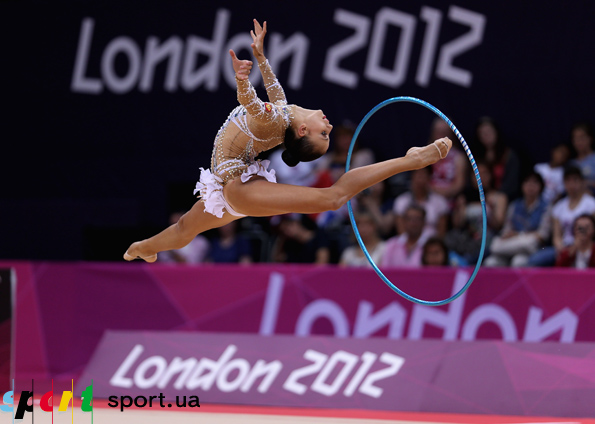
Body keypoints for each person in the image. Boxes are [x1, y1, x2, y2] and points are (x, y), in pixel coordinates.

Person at [124, 19, 452, 262]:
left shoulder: (272, 119)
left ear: (303, 132)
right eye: (327, 134)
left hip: (237, 186)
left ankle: (411, 160)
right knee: (184, 228)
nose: (328, 126)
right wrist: (261, 57)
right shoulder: (285, 113)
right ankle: (144, 247)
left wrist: (242, 79)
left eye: (324, 134)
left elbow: (252, 104)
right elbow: (275, 91)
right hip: (227, 187)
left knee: (333, 198)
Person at [529, 166, 595, 266]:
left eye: (575, 180)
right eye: (568, 181)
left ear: (582, 182)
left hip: (585, 245)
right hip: (565, 246)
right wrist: (560, 247)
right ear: (564, 183)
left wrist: (580, 245)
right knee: (534, 260)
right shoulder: (558, 207)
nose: (572, 185)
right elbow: (557, 236)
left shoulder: (591, 204)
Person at [484, 172, 551, 267]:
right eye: (527, 182)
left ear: (541, 186)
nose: (530, 186)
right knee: (491, 262)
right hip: (513, 244)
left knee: (518, 261)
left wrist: (519, 235)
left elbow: (542, 235)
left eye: (534, 182)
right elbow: (506, 230)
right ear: (522, 186)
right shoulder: (514, 205)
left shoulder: (546, 207)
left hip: (531, 247)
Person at [393, 166, 449, 237]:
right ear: (412, 177)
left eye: (423, 175)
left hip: (431, 241)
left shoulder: (440, 202)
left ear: (429, 178)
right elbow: (402, 233)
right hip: (409, 242)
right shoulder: (401, 201)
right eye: (418, 175)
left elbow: (441, 233)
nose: (420, 180)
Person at [474, 117, 521, 200]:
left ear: (496, 132)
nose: (486, 135)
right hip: (481, 196)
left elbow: (512, 183)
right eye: (482, 133)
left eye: (489, 131)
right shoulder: (475, 155)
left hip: (504, 196)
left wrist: (497, 194)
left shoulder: (508, 155)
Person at [569, 122, 595, 193]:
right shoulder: (571, 164)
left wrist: (587, 184)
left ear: (590, 138)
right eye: (576, 138)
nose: (579, 141)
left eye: (582, 137)